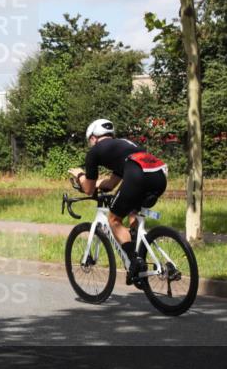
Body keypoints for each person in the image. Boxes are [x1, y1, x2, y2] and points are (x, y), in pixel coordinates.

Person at [68, 119, 167, 283]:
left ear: (93, 137)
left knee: (114, 219)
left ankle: (135, 263)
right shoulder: (123, 146)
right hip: (158, 175)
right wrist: (98, 184)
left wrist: (80, 175)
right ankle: (138, 251)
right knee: (132, 210)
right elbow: (110, 184)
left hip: (137, 174)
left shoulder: (94, 152)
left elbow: (88, 189)